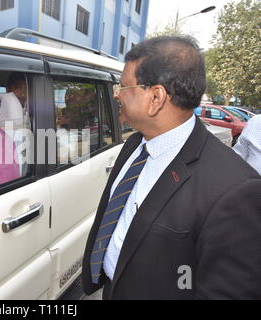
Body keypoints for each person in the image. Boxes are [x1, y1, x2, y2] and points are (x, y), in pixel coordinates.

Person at [82, 36, 261, 299]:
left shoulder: (235, 190)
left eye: (123, 87)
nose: (116, 95)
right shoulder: (134, 144)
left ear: (156, 97)